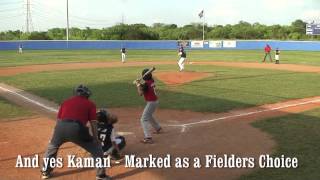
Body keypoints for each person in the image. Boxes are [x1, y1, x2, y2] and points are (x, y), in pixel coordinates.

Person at [41, 85, 111, 180]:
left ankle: (45, 172)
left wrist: (55, 137)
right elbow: (93, 124)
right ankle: (101, 175)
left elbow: (58, 121)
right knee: (97, 149)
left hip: (60, 127)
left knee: (52, 148)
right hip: (76, 128)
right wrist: (96, 138)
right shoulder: (90, 104)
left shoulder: (65, 102)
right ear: (87, 94)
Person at [134, 69, 162, 144]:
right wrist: (139, 84)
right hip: (155, 101)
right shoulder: (151, 81)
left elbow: (140, 93)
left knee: (143, 119)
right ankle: (157, 128)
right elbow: (144, 86)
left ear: (144, 77)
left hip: (151, 103)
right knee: (149, 116)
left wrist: (137, 84)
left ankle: (148, 137)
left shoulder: (146, 85)